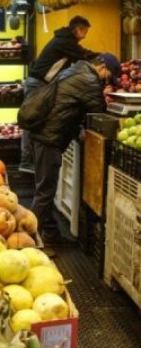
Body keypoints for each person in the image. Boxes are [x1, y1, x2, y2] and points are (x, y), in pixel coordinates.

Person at [29, 54, 121, 246]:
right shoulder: (89, 80)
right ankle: (28, 240)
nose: (105, 82)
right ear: (102, 67)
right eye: (107, 78)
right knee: (45, 192)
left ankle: (50, 234)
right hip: (49, 137)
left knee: (45, 189)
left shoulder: (76, 69)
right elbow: (98, 111)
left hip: (42, 133)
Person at [19, 16, 98, 173]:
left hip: (40, 84)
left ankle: (32, 161)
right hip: (38, 84)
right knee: (31, 121)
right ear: (77, 29)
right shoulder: (65, 42)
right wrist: (103, 58)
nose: (85, 35)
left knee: (35, 121)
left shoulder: (64, 40)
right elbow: (83, 55)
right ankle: (27, 161)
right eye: (85, 31)